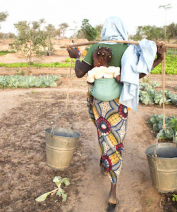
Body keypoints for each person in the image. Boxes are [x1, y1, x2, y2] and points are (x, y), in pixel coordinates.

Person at [67, 16, 166, 209]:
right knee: (116, 141)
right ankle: (112, 190)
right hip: (118, 105)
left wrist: (76, 56)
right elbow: (138, 75)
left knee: (103, 133)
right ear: (122, 30)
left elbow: (80, 73)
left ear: (104, 30)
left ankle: (107, 166)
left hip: (98, 103)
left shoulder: (96, 47)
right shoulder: (128, 49)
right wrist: (158, 59)